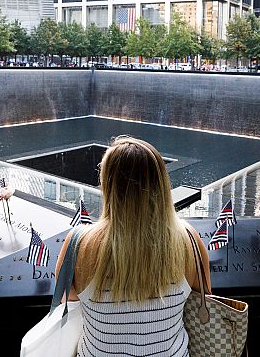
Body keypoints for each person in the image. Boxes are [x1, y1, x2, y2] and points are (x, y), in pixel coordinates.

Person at [55, 136, 211, 356]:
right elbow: (204, 300)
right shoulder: (189, 241)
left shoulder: (78, 244)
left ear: (108, 185)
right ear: (161, 184)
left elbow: (68, 301)